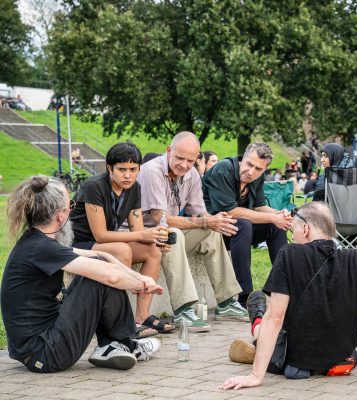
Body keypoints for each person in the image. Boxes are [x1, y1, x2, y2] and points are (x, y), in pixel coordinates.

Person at [221, 202, 357, 389]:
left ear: (305, 229)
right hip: (341, 357)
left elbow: (275, 318)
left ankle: (256, 320)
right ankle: (257, 320)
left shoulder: (289, 254)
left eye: (294, 231)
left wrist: (255, 377)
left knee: (265, 318)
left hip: (295, 359)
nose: (293, 236)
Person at [1, 176, 161, 372]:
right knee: (100, 277)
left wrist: (139, 277)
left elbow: (99, 254)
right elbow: (111, 277)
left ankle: (112, 346)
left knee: (100, 266)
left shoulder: (36, 241)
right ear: (60, 215)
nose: (71, 211)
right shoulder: (41, 248)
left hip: (42, 342)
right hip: (45, 354)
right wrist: (142, 286)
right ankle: (124, 345)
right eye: (71, 206)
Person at [138, 132, 248, 331]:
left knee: (212, 233)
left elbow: (199, 213)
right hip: (142, 235)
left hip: (166, 234)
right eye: (179, 158)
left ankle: (226, 302)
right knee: (174, 234)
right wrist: (206, 221)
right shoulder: (152, 171)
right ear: (169, 151)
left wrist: (215, 222)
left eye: (190, 160)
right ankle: (183, 309)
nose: (184, 165)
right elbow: (159, 219)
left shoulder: (192, 174)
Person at [69, 142, 170, 337]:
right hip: (80, 243)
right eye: (122, 169)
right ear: (109, 168)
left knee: (153, 251)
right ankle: (119, 323)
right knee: (122, 250)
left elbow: (138, 229)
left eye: (133, 169)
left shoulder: (134, 188)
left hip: (106, 244)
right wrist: (143, 235)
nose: (128, 175)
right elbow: (100, 234)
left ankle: (141, 316)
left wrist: (154, 239)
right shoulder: (94, 186)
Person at [202, 143, 291, 307]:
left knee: (275, 226)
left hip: (236, 231)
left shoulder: (256, 177)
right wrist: (271, 218)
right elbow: (231, 212)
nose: (251, 172)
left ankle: (283, 288)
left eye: (258, 169)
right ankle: (246, 296)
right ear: (243, 158)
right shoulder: (223, 169)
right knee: (243, 224)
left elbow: (260, 207)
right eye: (249, 164)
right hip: (211, 227)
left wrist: (280, 215)